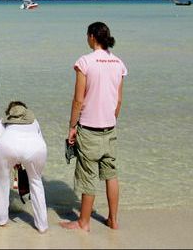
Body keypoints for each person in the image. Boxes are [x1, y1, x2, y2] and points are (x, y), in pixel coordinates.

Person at [61, 22, 127, 232]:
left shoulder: (85, 62)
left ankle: (84, 223)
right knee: (111, 174)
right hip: (110, 128)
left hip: (89, 128)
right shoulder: (118, 63)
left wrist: (72, 127)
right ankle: (113, 221)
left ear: (91, 37)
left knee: (87, 175)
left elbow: (78, 100)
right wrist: (111, 119)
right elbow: (118, 101)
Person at [0, 101, 48, 233]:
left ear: (9, 113)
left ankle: (2, 220)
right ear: (26, 112)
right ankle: (42, 225)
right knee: (36, 181)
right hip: (36, 148)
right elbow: (39, 137)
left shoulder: (2, 121)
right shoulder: (34, 121)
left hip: (8, 146)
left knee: (2, 181)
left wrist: (11, 160)